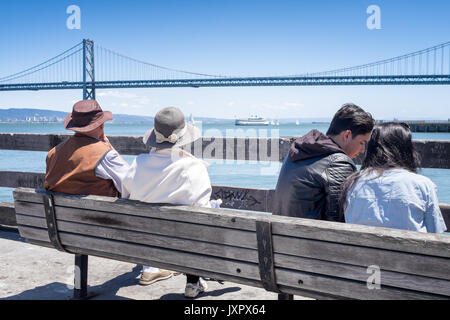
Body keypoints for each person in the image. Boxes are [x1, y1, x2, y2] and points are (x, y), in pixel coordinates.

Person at [121, 106, 219, 298]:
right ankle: (193, 281)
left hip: (145, 242)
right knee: (200, 220)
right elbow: (204, 213)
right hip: (182, 244)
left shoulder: (138, 164)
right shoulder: (193, 168)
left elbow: (126, 197)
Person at [272, 103, 375, 222]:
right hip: (309, 239)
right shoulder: (338, 163)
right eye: (362, 142)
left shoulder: (298, 151)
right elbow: (339, 222)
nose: (363, 150)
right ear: (347, 135)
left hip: (282, 236)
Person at [341, 122, 447, 233]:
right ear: (406, 149)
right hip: (409, 250)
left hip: (357, 249)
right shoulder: (423, 185)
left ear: (372, 148)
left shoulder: (352, 183)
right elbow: (435, 233)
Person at [45, 100, 129, 197]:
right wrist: (110, 148)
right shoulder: (104, 154)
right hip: (99, 212)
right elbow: (132, 184)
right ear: (101, 125)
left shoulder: (52, 154)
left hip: (57, 211)